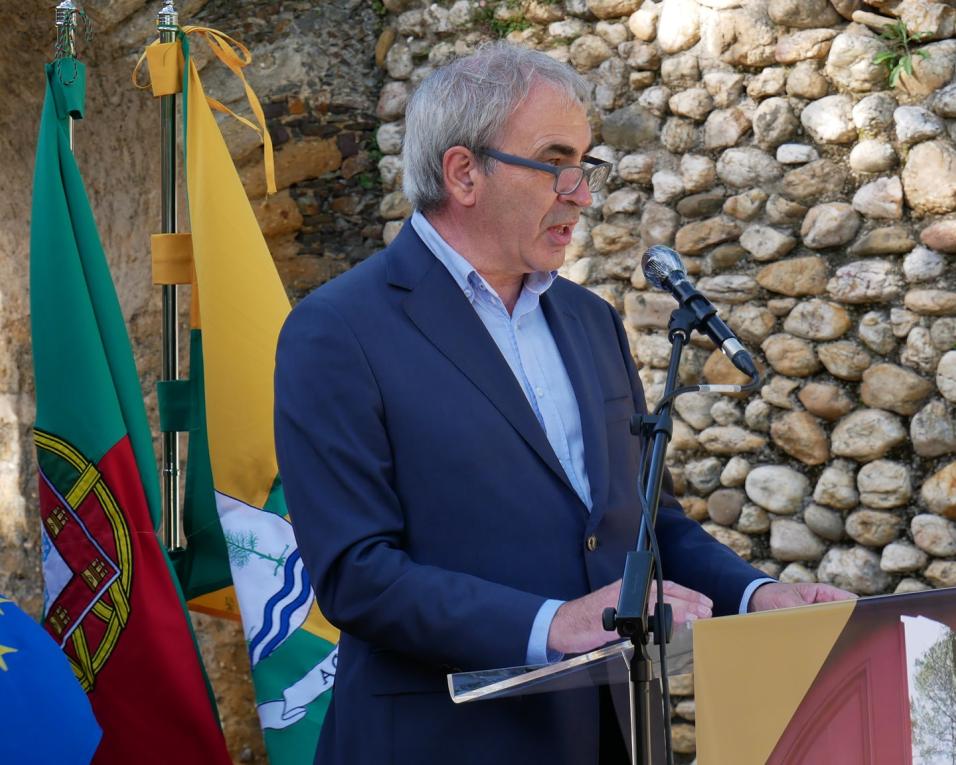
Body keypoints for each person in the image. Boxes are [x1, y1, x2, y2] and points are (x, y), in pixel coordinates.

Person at [274, 42, 852, 765]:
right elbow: (356, 573)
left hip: (616, 733)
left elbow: (648, 521)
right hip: (439, 743)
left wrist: (752, 595)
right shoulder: (337, 330)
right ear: (463, 173)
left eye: (586, 164)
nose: (581, 191)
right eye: (556, 162)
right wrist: (552, 623)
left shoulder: (590, 319)